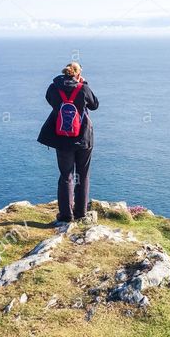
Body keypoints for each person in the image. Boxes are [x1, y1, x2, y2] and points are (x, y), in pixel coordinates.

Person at [37, 62, 99, 223]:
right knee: (83, 175)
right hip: (83, 138)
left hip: (62, 138)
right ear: (78, 74)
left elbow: (50, 100)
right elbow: (94, 105)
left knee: (66, 176)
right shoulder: (83, 88)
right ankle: (81, 213)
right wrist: (84, 84)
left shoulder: (53, 87)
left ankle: (65, 215)